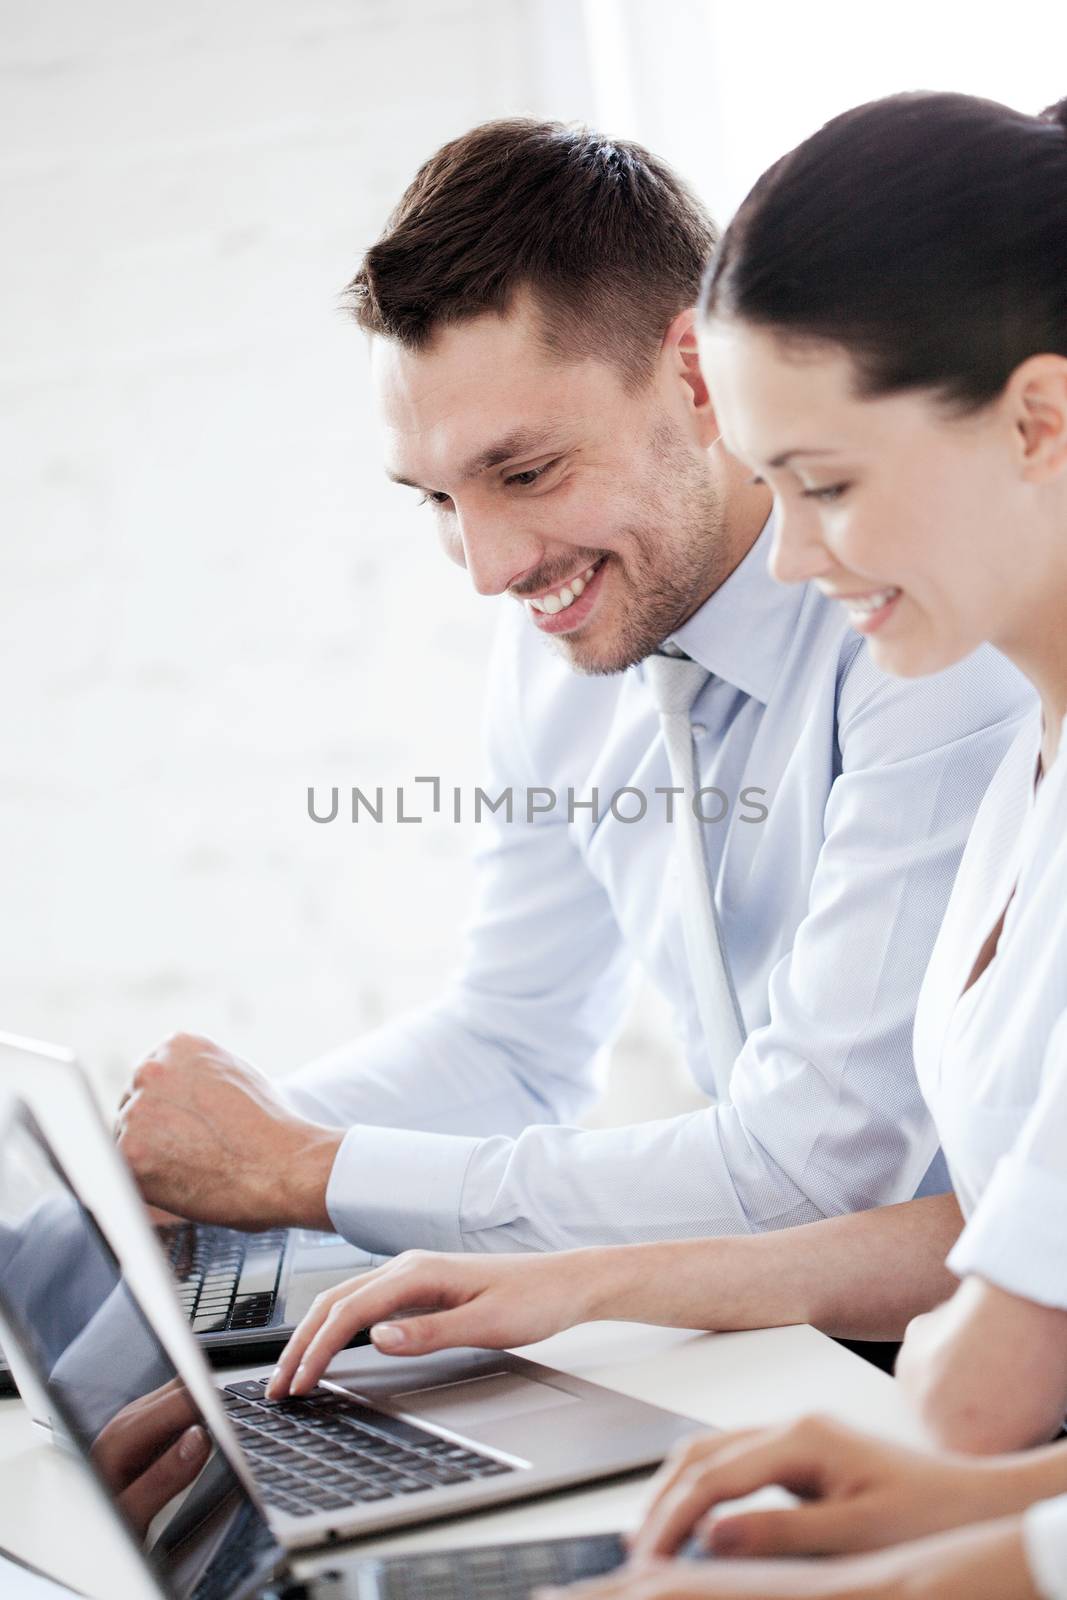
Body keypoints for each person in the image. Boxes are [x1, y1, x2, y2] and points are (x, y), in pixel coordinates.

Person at [267, 89, 1067, 1598]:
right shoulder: (1028, 747)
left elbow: (919, 1270)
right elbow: (970, 1221)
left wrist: (909, 1542)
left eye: (820, 484)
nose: (793, 544)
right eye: (440, 501)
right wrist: (569, 1283)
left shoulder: (936, 670)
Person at [114, 122, 1028, 1278]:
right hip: (767, 1323)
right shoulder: (564, 633)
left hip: (963, 1334)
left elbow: (815, 1164)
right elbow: (514, 1038)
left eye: (526, 471)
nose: (489, 567)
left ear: (696, 377)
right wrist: (198, 1162)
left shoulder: (920, 620)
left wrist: (301, 1169)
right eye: (437, 500)